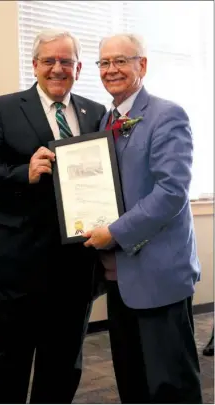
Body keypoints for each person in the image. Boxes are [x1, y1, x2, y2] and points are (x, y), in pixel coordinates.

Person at [0, 28, 106, 404]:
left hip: (76, 265)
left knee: (62, 362)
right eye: (49, 61)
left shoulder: (96, 112)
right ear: (35, 65)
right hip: (20, 262)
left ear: (78, 67)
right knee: (8, 359)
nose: (57, 69)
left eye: (66, 61)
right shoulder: (4, 107)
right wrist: (20, 174)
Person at [83, 33, 203, 403]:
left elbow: (171, 193)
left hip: (157, 273)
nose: (111, 69)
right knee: (132, 377)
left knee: (170, 383)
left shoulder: (167, 114)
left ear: (142, 65)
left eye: (121, 60)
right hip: (118, 274)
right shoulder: (105, 119)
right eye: (104, 62)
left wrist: (115, 233)